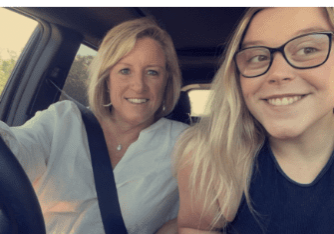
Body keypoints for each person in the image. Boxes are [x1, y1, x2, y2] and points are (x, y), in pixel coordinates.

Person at [0, 17, 187, 234]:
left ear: (166, 81)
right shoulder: (63, 121)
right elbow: (17, 150)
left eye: (152, 72)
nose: (139, 85)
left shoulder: (185, 145)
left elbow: (198, 218)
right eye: (125, 70)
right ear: (107, 78)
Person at [175, 7, 334, 234]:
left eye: (308, 49)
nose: (278, 73)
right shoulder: (209, 157)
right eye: (258, 57)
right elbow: (196, 227)